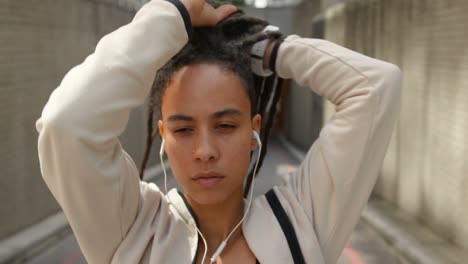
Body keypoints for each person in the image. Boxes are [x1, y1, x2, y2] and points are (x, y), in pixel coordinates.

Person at [35, 0, 401, 263]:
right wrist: (172, 17)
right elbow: (65, 126)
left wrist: (267, 51)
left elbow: (376, 86)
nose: (205, 150)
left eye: (225, 125)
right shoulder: (132, 229)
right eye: (183, 129)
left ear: (254, 130)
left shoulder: (302, 222)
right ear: (163, 134)